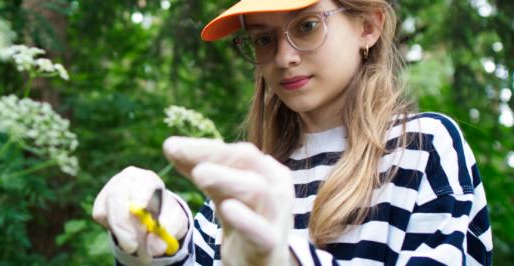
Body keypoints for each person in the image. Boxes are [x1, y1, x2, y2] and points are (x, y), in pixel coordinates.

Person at [92, 0, 493, 265]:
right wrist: (162, 233)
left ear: (368, 26)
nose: (284, 57)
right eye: (263, 39)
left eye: (306, 26)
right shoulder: (249, 171)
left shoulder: (423, 146)